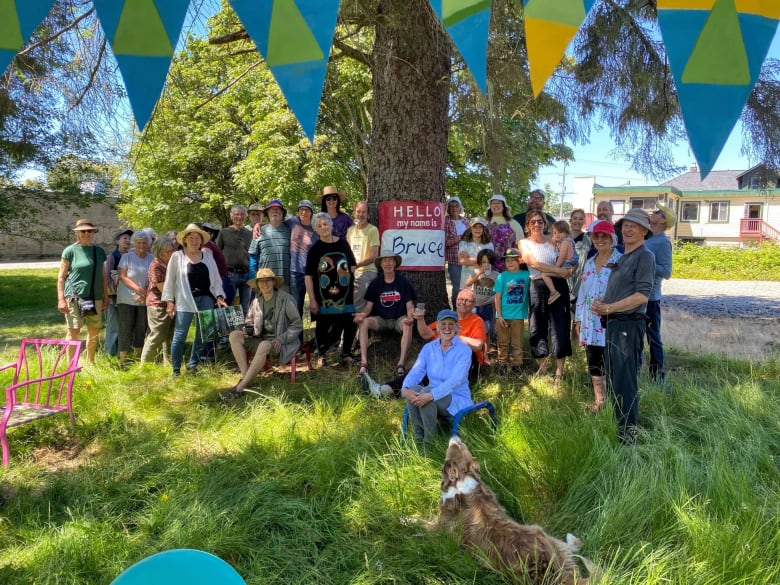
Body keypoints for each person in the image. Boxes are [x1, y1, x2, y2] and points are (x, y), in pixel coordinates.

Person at [591, 209, 655, 445]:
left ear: (644, 231)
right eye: (625, 225)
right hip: (615, 325)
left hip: (629, 326)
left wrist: (610, 308)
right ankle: (619, 427)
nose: (628, 229)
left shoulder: (644, 256)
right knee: (616, 379)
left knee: (626, 382)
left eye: (634, 226)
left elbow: (642, 296)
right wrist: (603, 304)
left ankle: (628, 438)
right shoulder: (622, 257)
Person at [221, 268, 303, 401]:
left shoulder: (285, 299)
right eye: (261, 281)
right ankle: (246, 377)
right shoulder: (256, 302)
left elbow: (297, 324)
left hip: (279, 343)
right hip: (260, 340)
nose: (265, 284)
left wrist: (281, 339)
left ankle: (240, 388)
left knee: (265, 344)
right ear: (257, 284)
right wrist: (247, 329)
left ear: (274, 282)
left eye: (268, 281)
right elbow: (249, 321)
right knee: (234, 335)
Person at [162, 223, 228, 376]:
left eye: (197, 237)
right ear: (185, 240)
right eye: (191, 237)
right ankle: (176, 369)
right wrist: (169, 301)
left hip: (205, 298)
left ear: (201, 240)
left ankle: (192, 365)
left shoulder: (208, 257)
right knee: (180, 334)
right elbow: (169, 280)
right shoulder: (177, 257)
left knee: (202, 334)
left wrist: (219, 296)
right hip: (185, 300)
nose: (194, 240)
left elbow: (216, 280)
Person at [401, 309, 473, 446]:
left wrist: (431, 395)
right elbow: (417, 370)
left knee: (426, 394)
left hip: (455, 398)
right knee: (413, 390)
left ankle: (429, 443)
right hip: (431, 394)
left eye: (451, 324)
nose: (447, 328)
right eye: (443, 324)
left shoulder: (464, 350)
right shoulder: (429, 348)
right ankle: (419, 440)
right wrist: (405, 388)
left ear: (457, 327)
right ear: (438, 327)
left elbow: (456, 380)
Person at [519, 210, 574, 382]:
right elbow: (533, 263)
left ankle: (559, 372)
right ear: (527, 225)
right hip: (537, 284)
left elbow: (568, 257)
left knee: (560, 326)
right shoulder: (523, 243)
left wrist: (568, 270)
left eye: (540, 221)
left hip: (558, 285)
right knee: (537, 326)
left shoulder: (555, 240)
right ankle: (542, 368)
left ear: (545, 224)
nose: (537, 224)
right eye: (533, 222)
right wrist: (558, 270)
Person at [574, 220, 621, 412]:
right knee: (594, 361)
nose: (600, 239)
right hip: (589, 321)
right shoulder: (589, 264)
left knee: (613, 362)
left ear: (612, 238)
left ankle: (617, 402)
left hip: (612, 320)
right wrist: (577, 319)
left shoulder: (620, 261)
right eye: (596, 236)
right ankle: (600, 401)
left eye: (604, 236)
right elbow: (582, 292)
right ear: (592, 239)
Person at [305, 212, 358, 366]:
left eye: (325, 224)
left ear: (331, 225)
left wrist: (345, 274)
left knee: (349, 322)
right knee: (322, 325)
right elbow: (308, 276)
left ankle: (346, 353)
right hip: (323, 296)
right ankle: (322, 355)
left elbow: (353, 265)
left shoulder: (342, 243)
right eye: (320, 225)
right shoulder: (315, 249)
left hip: (345, 294)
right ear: (316, 229)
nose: (324, 227)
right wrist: (312, 300)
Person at [354, 250, 416, 377]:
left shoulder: (403, 282)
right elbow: (368, 307)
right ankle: (364, 362)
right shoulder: (375, 283)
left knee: (407, 325)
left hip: (399, 318)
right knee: (364, 323)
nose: (388, 263)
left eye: (390, 260)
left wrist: (410, 317)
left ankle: (401, 363)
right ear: (380, 264)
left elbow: (410, 305)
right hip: (381, 320)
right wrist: (362, 315)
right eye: (385, 261)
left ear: (395, 263)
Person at [57, 219, 108, 364]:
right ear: (77, 233)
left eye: (90, 231)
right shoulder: (70, 251)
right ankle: (71, 366)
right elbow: (61, 277)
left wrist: (106, 296)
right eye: (83, 231)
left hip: (95, 296)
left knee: (94, 330)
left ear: (93, 233)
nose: (87, 233)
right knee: (74, 331)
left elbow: (103, 276)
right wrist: (61, 299)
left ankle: (90, 363)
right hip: (74, 297)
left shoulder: (99, 251)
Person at [414, 288, 487, 380]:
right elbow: (425, 334)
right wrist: (420, 319)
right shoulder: (448, 317)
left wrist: (453, 337)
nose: (463, 303)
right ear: (456, 301)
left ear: (474, 304)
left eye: (468, 300)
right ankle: (396, 386)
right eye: (460, 299)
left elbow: (478, 345)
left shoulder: (477, 321)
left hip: (467, 363)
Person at [643, 204, 674, 383]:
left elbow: (667, 271)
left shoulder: (663, 242)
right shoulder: (647, 236)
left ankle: (657, 376)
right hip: (637, 296)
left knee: (653, 337)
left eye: (657, 212)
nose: (653, 213)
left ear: (663, 220)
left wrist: (646, 263)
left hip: (651, 298)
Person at [116, 230, 153, 365]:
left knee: (141, 328)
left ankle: (138, 357)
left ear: (148, 244)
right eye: (138, 243)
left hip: (144, 299)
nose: (141, 245)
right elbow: (122, 276)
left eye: (144, 243)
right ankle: (123, 359)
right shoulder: (126, 257)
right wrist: (138, 290)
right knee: (125, 327)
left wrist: (145, 294)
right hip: (126, 298)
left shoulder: (151, 258)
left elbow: (153, 278)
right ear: (134, 243)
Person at [493, 248, 530, 373]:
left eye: (513, 260)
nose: (510, 263)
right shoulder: (501, 277)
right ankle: (502, 364)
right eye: (507, 260)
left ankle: (517, 365)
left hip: (518, 315)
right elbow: (497, 297)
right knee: (502, 342)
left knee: (517, 342)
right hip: (503, 315)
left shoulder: (526, 275)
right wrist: (499, 315)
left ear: (519, 261)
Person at [140, 236, 176, 364]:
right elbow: (163, 288)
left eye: (172, 250)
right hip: (158, 304)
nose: (172, 253)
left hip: (170, 303)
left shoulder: (169, 264)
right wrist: (172, 301)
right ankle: (144, 365)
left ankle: (168, 362)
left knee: (169, 335)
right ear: (160, 253)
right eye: (169, 251)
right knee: (157, 335)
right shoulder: (156, 266)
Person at [216, 204, 253, 313]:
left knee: (245, 307)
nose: (239, 217)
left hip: (247, 275)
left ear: (246, 216)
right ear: (232, 216)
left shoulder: (249, 233)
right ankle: (228, 330)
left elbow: (252, 254)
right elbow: (218, 253)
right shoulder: (224, 232)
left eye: (242, 214)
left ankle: (244, 329)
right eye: (237, 214)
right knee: (227, 305)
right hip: (230, 275)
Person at [249, 199, 291, 290]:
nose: (275, 211)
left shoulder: (290, 231)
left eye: (278, 209)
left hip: (285, 282)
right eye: (272, 209)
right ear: (267, 213)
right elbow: (253, 258)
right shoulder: (259, 231)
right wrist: (253, 278)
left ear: (282, 213)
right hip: (264, 281)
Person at [346, 201, 380, 312]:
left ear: (368, 215)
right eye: (358, 211)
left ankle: (358, 328)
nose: (361, 214)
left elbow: (374, 255)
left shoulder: (372, 230)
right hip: (352, 271)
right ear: (354, 213)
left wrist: (357, 265)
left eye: (363, 212)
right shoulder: (350, 231)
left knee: (357, 307)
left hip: (367, 271)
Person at [104, 228, 132, 357]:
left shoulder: (131, 256)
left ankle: (124, 350)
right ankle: (110, 353)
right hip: (113, 298)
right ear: (117, 241)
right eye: (124, 238)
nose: (128, 240)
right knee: (113, 326)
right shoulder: (112, 256)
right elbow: (106, 278)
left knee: (126, 325)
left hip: (128, 298)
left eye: (129, 238)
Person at [289, 199, 319, 318]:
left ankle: (317, 335)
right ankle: (298, 336)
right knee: (297, 305)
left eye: (306, 210)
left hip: (312, 273)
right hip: (295, 272)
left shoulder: (316, 228)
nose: (303, 212)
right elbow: (275, 223)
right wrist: (257, 225)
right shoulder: (292, 222)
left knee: (316, 304)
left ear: (311, 212)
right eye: (301, 210)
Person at [540, 220, 578, 305]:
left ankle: (554, 292)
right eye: (554, 233)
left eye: (560, 232)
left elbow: (562, 257)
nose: (557, 235)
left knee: (544, 274)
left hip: (566, 264)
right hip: (569, 264)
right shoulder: (566, 241)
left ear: (566, 232)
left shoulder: (565, 242)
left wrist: (555, 268)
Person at [463, 248, 497, 343]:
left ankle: (487, 349)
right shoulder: (476, 273)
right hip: (476, 306)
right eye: (483, 262)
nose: (486, 265)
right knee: (475, 328)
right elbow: (468, 283)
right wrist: (478, 273)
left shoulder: (496, 275)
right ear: (479, 263)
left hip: (488, 306)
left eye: (489, 262)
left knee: (486, 330)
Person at [485, 194, 523, 272]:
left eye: (499, 203)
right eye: (493, 203)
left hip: (509, 263)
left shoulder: (513, 223)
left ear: (504, 206)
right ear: (490, 206)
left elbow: (520, 243)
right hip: (488, 263)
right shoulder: (484, 223)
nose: (496, 205)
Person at [444, 196, 470, 308]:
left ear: (460, 208)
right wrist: (461, 237)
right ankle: (456, 310)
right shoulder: (445, 221)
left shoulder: (465, 220)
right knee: (457, 288)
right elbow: (446, 242)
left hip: (468, 260)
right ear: (448, 209)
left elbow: (471, 237)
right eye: (451, 206)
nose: (454, 208)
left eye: (456, 206)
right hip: (454, 260)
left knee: (468, 287)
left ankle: (466, 310)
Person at [458, 217, 493, 293]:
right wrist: (482, 260)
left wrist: (470, 259)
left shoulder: (489, 244)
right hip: (467, 279)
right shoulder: (464, 244)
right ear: (470, 228)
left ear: (484, 229)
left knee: (482, 303)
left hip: (483, 280)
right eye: (475, 227)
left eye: (480, 227)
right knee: (468, 302)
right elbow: (462, 261)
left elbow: (490, 261)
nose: (478, 229)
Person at [567, 209, 591, 314]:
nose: (578, 221)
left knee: (578, 318)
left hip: (581, 281)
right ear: (570, 220)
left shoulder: (588, 239)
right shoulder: (563, 237)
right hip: (564, 278)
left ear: (584, 222)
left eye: (581, 219)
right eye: (575, 218)